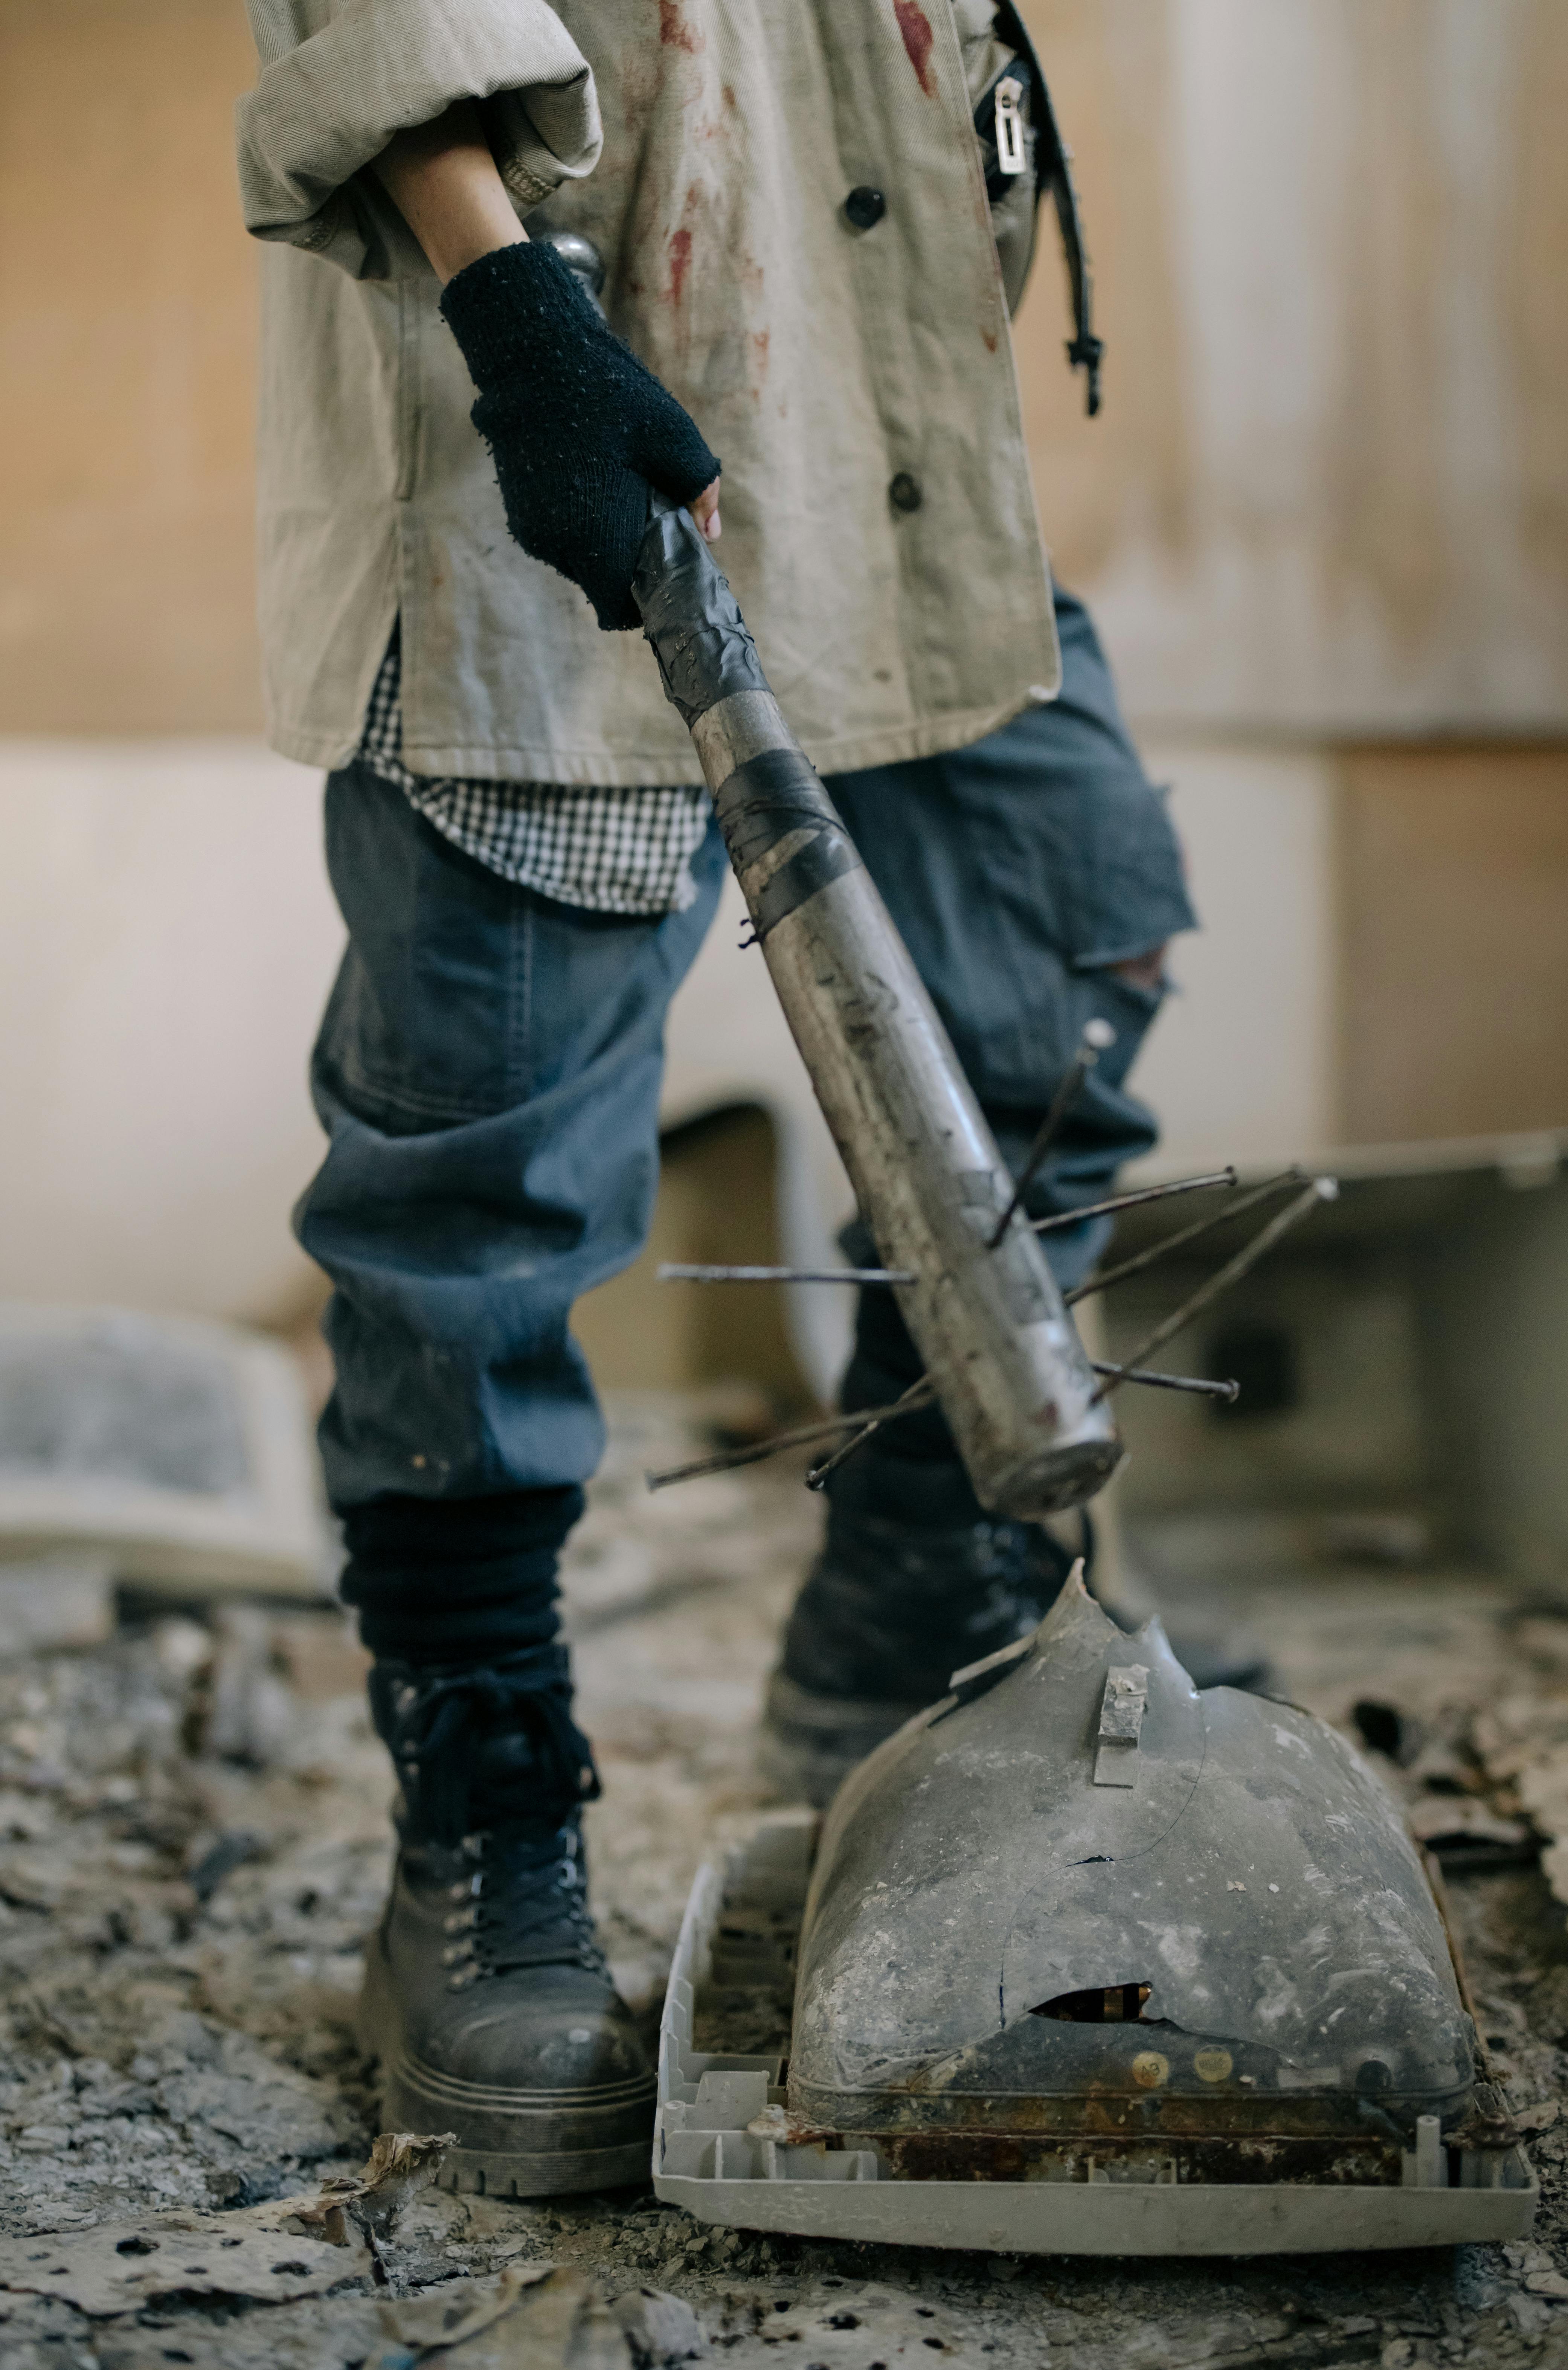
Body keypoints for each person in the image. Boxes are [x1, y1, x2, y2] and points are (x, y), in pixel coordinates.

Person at [235, 0, 1197, 2196]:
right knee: (479, 1207)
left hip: (889, 446)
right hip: (540, 424)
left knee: (1059, 1007)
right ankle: (482, 1824)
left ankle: (893, 1684)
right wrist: (511, 311)